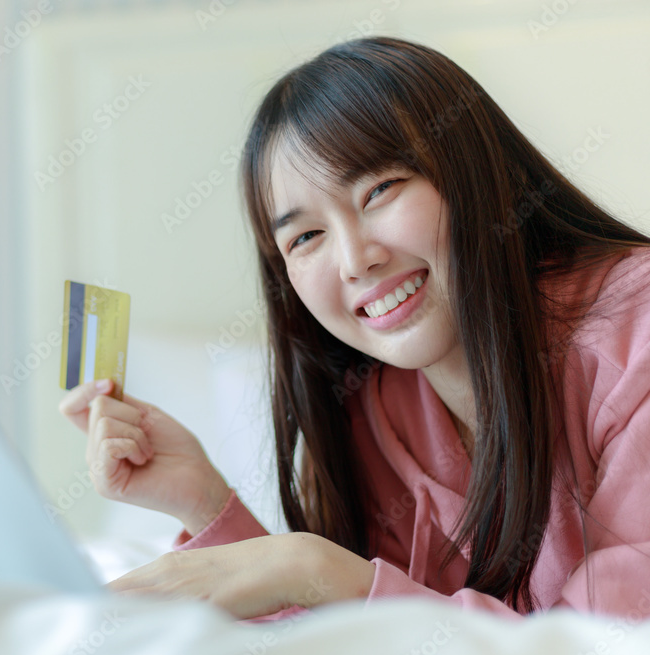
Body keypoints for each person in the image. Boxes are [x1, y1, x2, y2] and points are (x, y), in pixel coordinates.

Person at [59, 36, 650, 620]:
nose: (354, 260)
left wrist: (316, 569)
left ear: (474, 170)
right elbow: (364, 639)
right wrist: (206, 502)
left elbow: (608, 647)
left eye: (380, 190)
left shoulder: (636, 334)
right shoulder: (377, 405)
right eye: (306, 237)